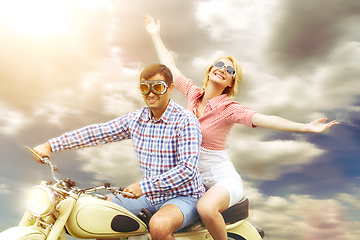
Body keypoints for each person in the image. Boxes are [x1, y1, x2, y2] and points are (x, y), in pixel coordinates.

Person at [144, 15, 339, 240]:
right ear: (209, 71)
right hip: (195, 182)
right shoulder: (193, 94)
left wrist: (306, 127)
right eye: (219, 64)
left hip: (222, 180)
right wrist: (155, 35)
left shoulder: (229, 108)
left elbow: (265, 118)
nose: (223, 69)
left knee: (206, 209)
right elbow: (170, 67)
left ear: (230, 84)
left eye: (230, 70)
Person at [32, 63, 205, 240]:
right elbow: (97, 132)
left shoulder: (186, 121)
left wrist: (143, 187)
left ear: (170, 88)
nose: (151, 93)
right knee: (98, 214)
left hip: (184, 197)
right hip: (150, 197)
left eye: (158, 87)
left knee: (159, 226)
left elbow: (187, 169)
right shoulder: (136, 119)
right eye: (145, 88)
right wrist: (51, 145)